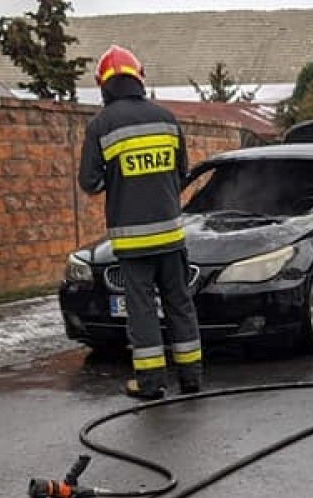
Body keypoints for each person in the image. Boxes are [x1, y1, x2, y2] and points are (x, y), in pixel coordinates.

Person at [77, 44, 203, 401]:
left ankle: (151, 384)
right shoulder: (166, 118)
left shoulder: (100, 125)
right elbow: (182, 172)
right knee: (180, 303)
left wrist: (118, 181)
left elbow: (89, 182)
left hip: (133, 244)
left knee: (142, 309)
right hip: (171, 235)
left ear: (104, 85)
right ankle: (192, 377)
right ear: (138, 78)